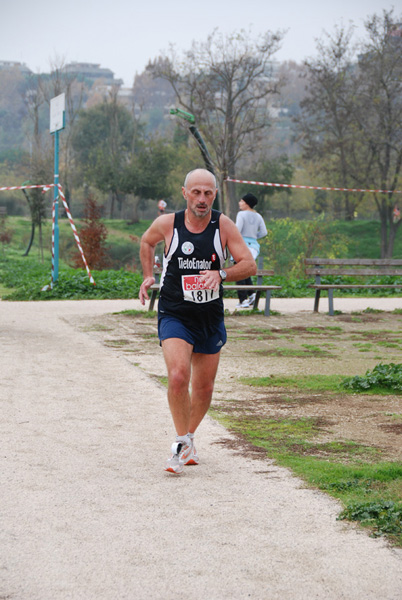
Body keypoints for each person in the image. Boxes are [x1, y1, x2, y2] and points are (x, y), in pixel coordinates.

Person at [139, 168, 256, 474]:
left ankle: (189, 437)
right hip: (175, 312)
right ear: (185, 193)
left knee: (203, 388)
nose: (201, 199)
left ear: (214, 195)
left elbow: (249, 264)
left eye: (207, 193)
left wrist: (222, 273)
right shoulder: (169, 224)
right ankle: (179, 444)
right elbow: (146, 242)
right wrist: (149, 275)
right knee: (178, 376)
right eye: (196, 192)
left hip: (209, 315)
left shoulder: (223, 226)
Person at [235, 192, 267, 308]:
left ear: (246, 203)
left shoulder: (241, 214)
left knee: (238, 271)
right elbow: (264, 232)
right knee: (245, 270)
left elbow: (237, 230)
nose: (240, 203)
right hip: (253, 247)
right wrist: (253, 237)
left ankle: (243, 300)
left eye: (242, 201)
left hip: (241, 245)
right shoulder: (258, 216)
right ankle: (252, 294)